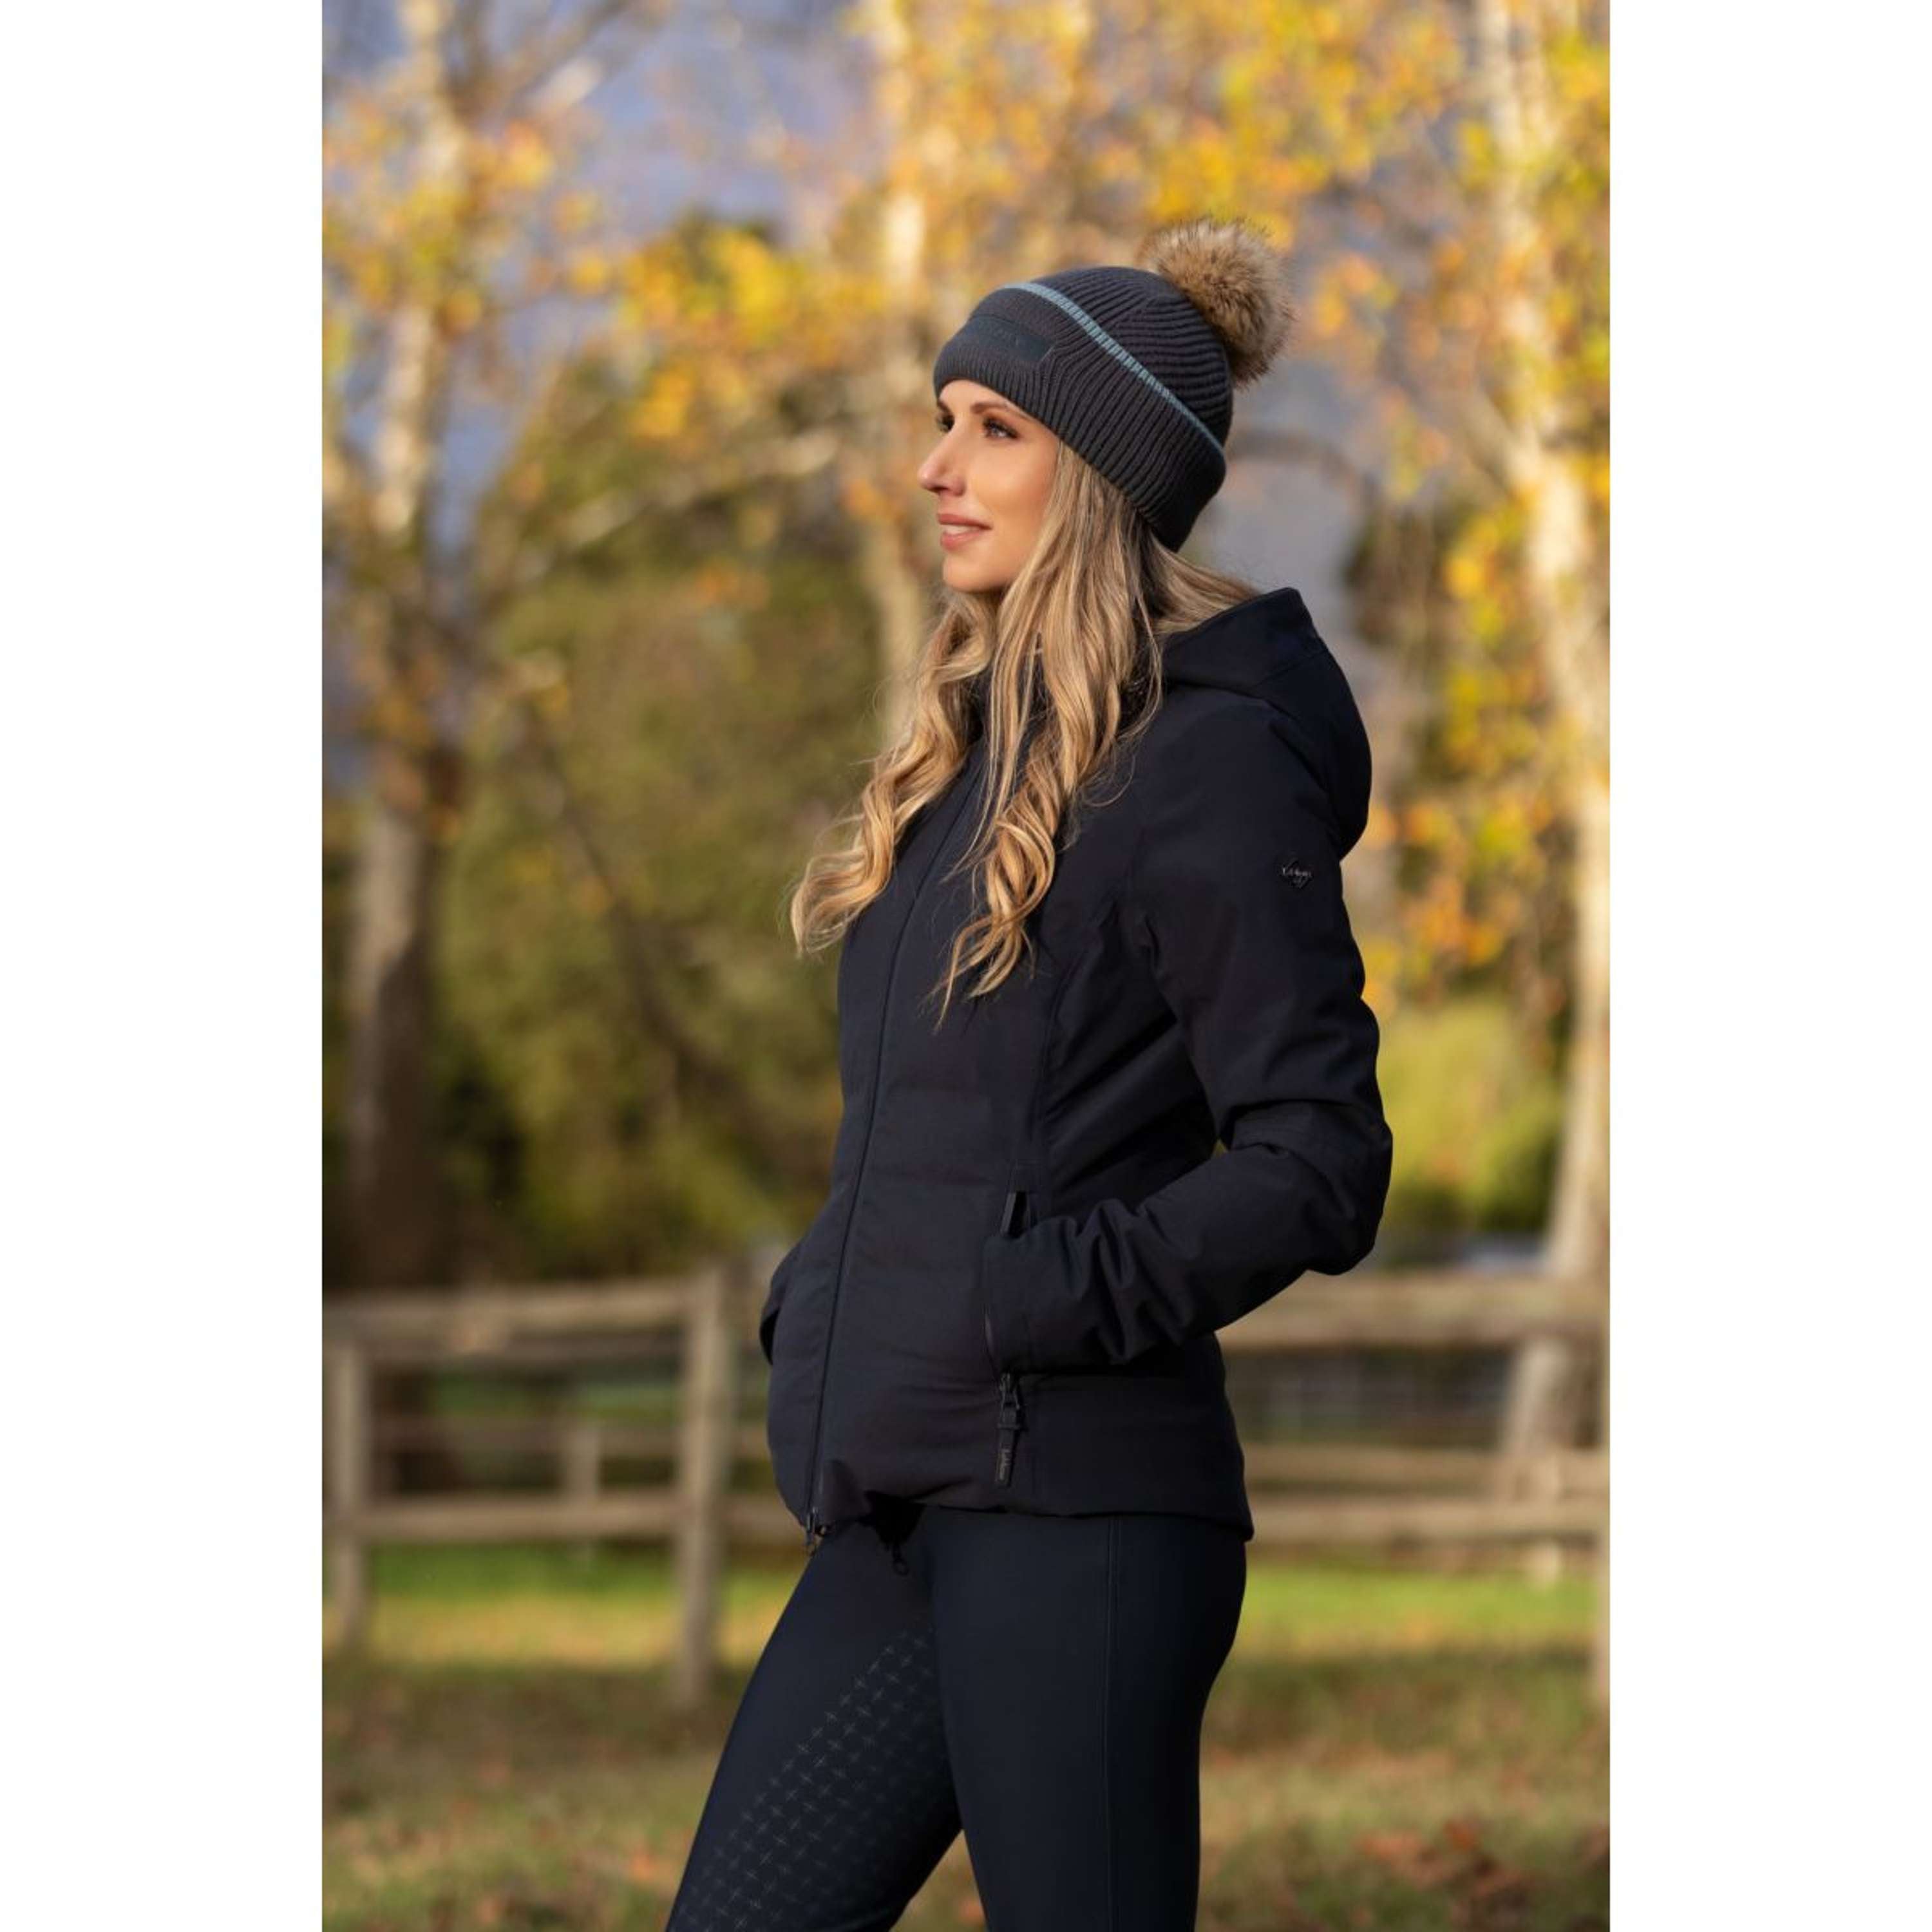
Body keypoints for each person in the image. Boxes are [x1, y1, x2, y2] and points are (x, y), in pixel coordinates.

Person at [662, 214, 1392, 1932]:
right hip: (904, 1507)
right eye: (944, 420)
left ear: (1105, 476)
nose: (939, 466)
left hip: (1083, 1519)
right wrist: (827, 1297)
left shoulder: (1212, 768)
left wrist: (1033, 1299)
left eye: (996, 428)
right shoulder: (963, 770)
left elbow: (1319, 1156)